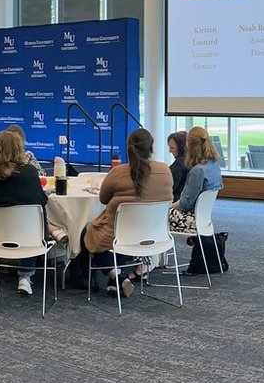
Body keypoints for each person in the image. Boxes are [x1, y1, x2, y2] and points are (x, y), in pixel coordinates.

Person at [84, 128, 173, 296]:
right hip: (156, 234)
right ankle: (115, 280)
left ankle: (116, 276)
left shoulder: (118, 172)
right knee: (111, 232)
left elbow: (103, 199)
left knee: (88, 233)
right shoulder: (165, 171)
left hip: (118, 235)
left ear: (128, 147)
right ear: (152, 148)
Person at [0, 129, 52, 295]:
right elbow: (41, 201)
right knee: (34, 224)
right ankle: (25, 277)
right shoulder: (29, 173)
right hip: (29, 237)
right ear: (19, 148)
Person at [169, 127, 225, 275]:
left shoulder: (198, 170)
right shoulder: (214, 167)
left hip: (190, 218)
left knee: (152, 216)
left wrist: (169, 206)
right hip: (203, 217)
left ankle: (144, 265)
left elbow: (185, 203)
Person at [166, 130, 190, 199]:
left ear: (181, 147)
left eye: (172, 148)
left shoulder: (179, 163)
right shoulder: (192, 161)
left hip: (176, 201)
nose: (170, 151)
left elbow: (172, 187)